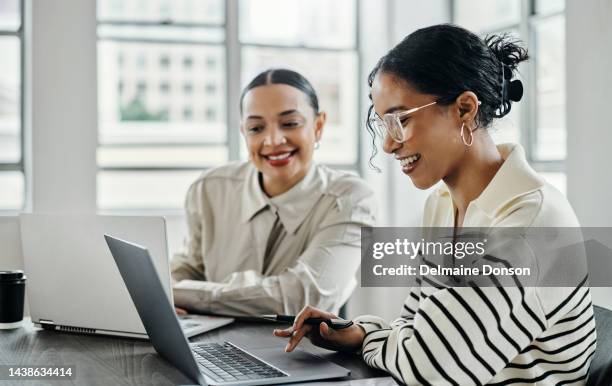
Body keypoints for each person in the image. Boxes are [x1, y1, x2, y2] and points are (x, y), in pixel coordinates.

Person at [274, 24, 595, 385]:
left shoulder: (530, 222)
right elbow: (416, 325)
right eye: (384, 125)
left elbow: (429, 368)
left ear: (464, 108)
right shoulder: (442, 204)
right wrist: (361, 333)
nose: (389, 146)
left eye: (402, 120)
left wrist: (373, 340)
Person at [171, 69, 376, 316]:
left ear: (318, 126)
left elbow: (303, 298)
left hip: (304, 351)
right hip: (214, 345)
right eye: (256, 128)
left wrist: (181, 293)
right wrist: (165, 294)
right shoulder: (209, 189)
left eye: (290, 124)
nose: (273, 140)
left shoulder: (350, 198)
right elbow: (186, 269)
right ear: (243, 133)